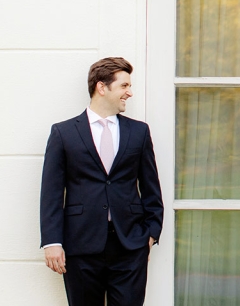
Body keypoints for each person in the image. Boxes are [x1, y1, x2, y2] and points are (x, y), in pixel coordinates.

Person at [40, 57, 164, 306]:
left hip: (130, 245)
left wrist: (150, 234)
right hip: (80, 245)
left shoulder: (139, 132)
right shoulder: (63, 133)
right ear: (101, 87)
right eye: (124, 86)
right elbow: (51, 192)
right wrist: (52, 242)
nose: (129, 93)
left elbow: (151, 187)